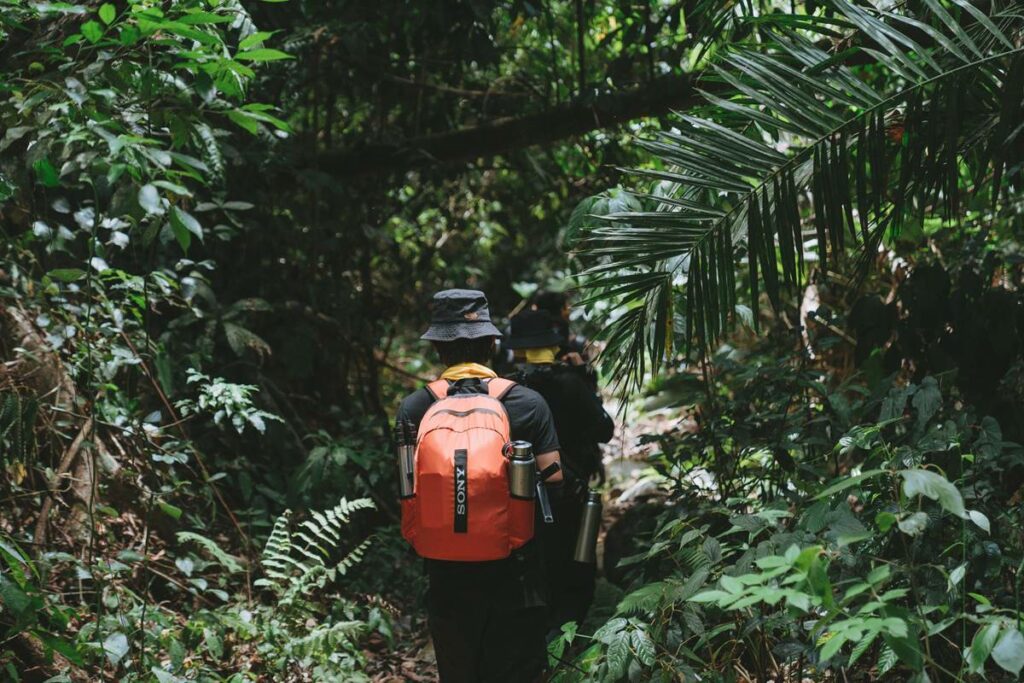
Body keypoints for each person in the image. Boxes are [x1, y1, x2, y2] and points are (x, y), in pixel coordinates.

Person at [396, 289, 563, 683]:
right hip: (515, 576)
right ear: (491, 343)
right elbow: (554, 480)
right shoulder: (527, 403)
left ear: (437, 346)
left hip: (446, 579)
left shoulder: (414, 408)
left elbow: (408, 489)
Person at [505, 308, 615, 633]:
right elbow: (604, 429)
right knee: (576, 566)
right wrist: (585, 378)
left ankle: (539, 637)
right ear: (554, 345)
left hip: (522, 494)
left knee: (537, 563)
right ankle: (569, 639)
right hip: (569, 490)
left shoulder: (508, 389)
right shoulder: (570, 383)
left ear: (518, 349)